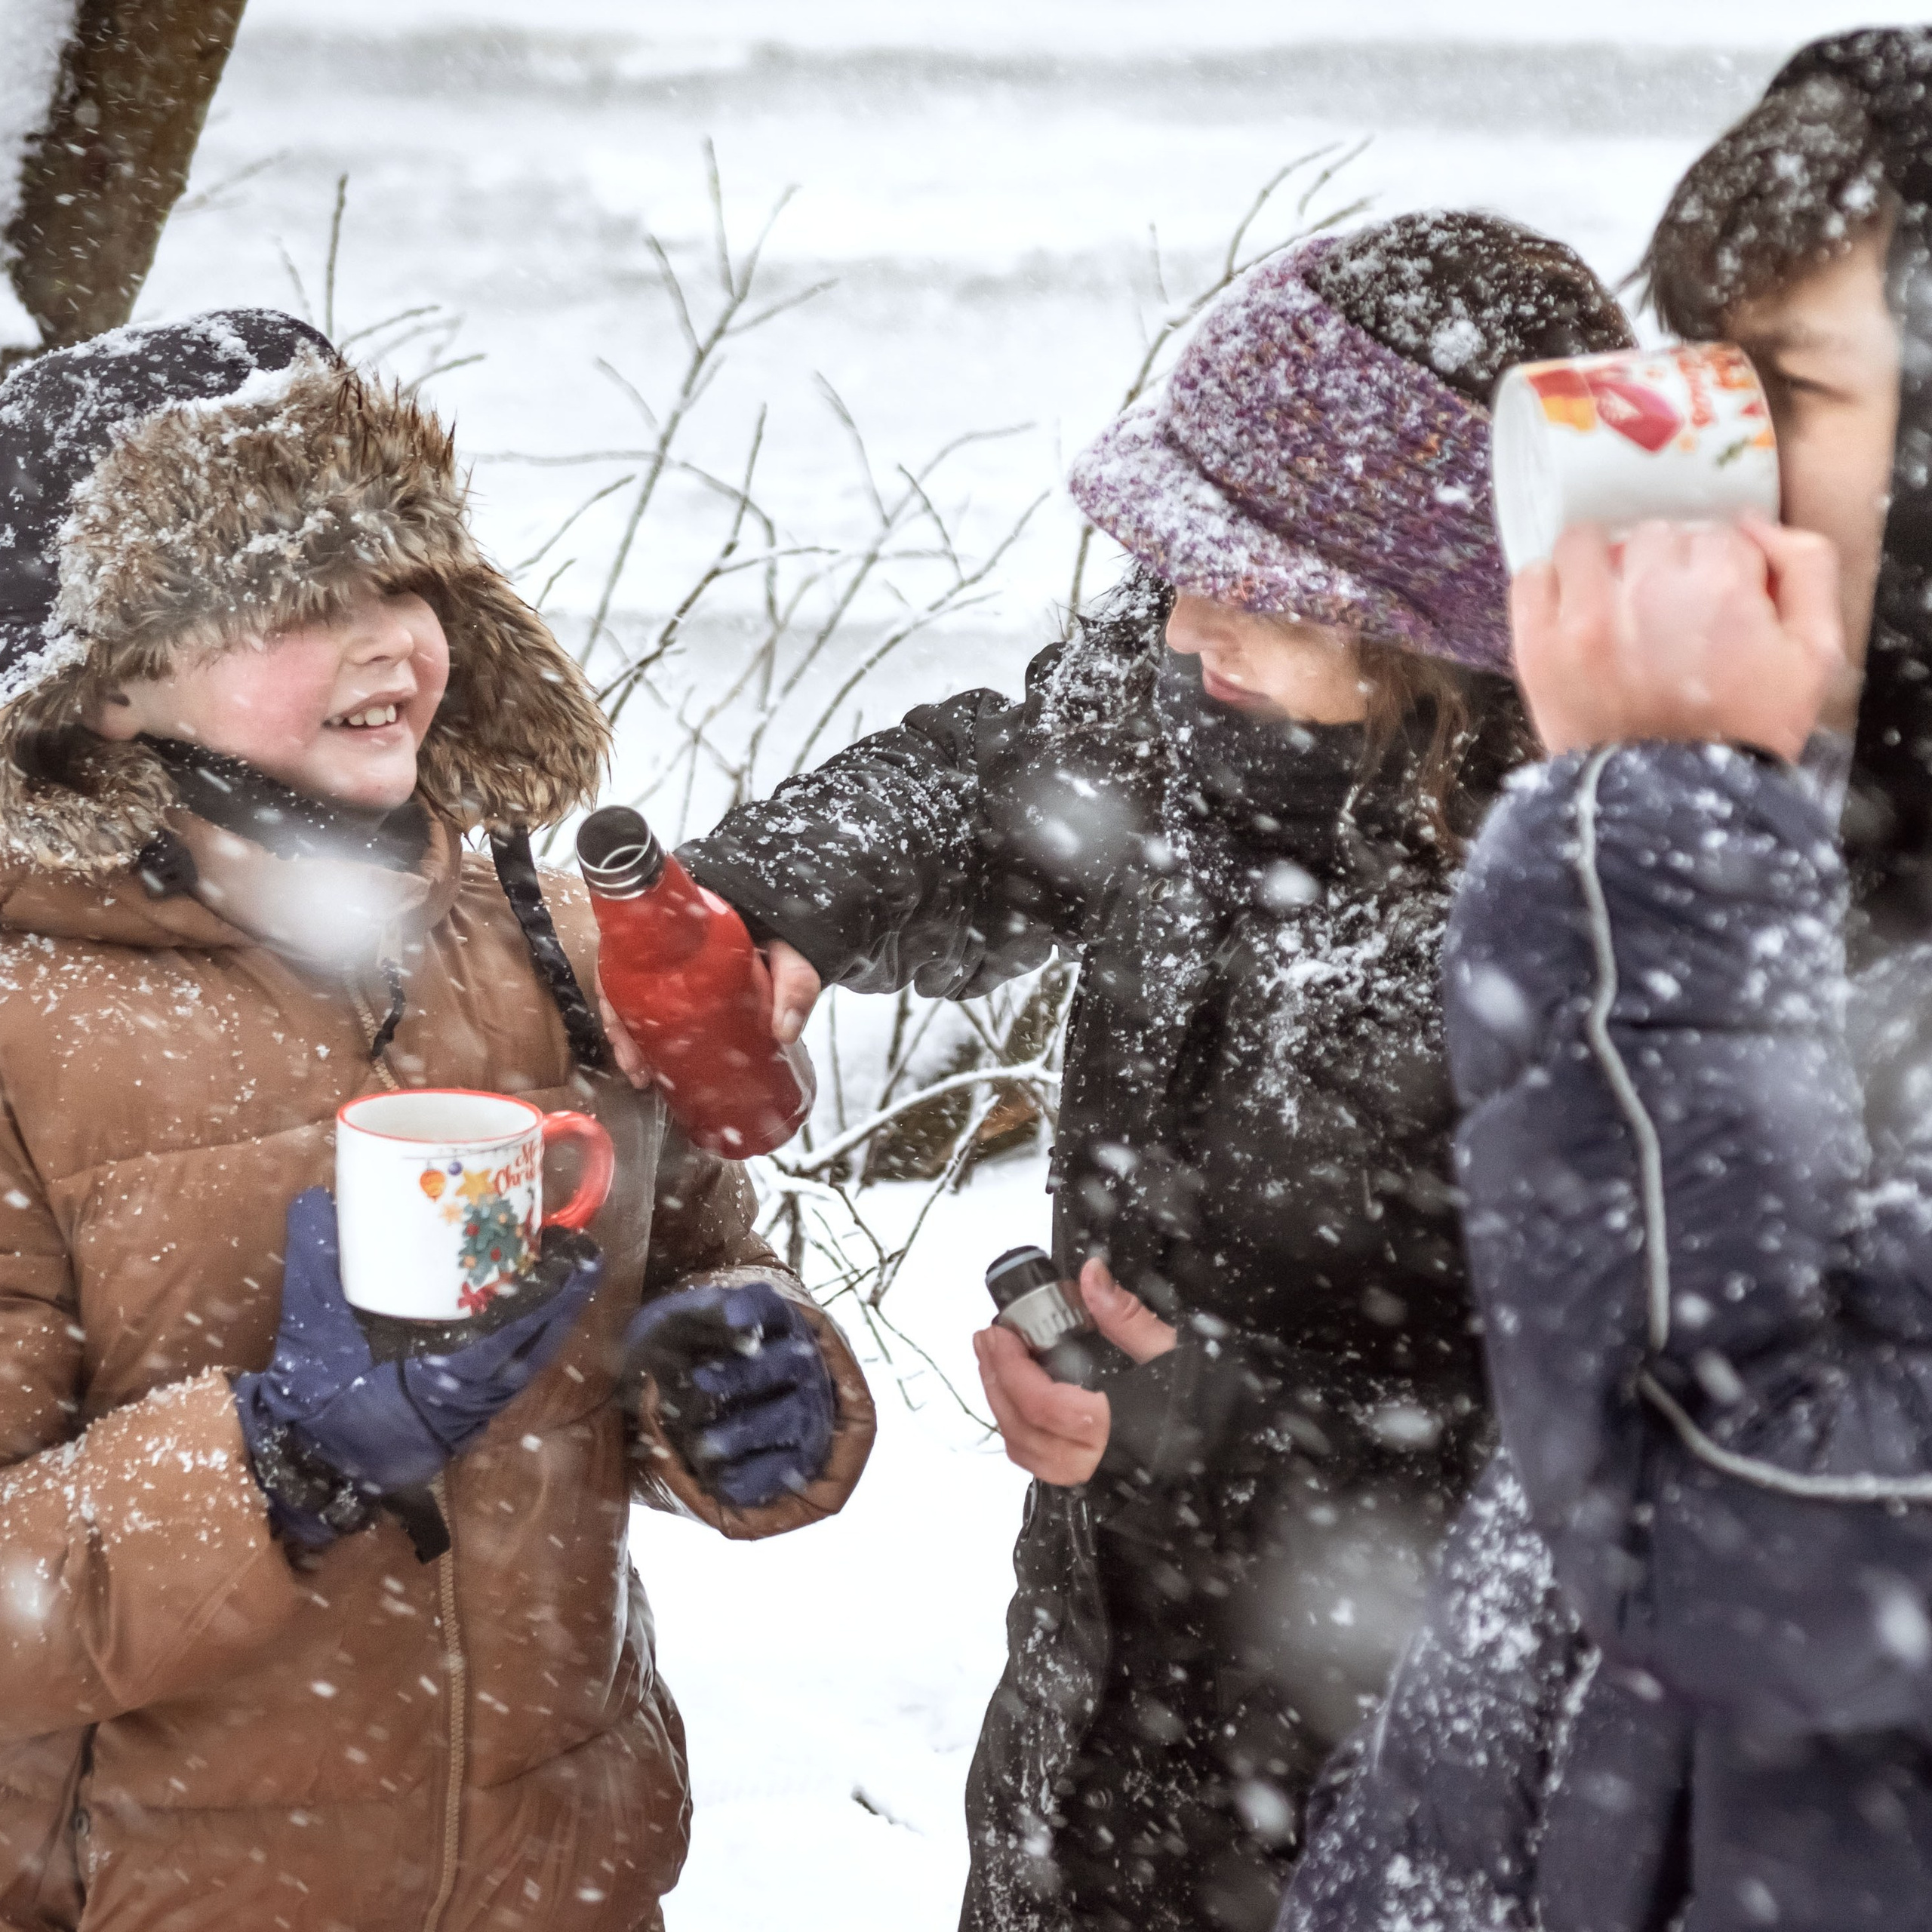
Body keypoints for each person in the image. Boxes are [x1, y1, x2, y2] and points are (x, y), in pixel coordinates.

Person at [666, 213, 1632, 1931]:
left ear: (1449, 614)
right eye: (1177, 554)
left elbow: (1634, 1460)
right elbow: (1007, 787)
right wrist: (771, 896)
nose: (1182, 618)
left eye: (1253, 582)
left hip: (1410, 1780)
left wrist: (1210, 1440)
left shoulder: (1611, 912)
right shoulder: (1203, 689)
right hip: (1101, 1694)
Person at [0, 310, 875, 1932]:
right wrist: (280, 1460)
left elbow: (677, 1265)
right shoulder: (22, 1025)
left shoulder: (540, 936)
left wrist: (721, 1379)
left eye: (404, 581)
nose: (386, 639)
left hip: (560, 1881)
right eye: (290, 599)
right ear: (105, 691)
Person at [1282, 29, 1932, 1932]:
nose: (1705, 459)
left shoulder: (1700, 852)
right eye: (1703, 373)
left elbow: (1737, 1537)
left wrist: (1641, 824)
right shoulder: (1828, 849)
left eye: (1786, 390)